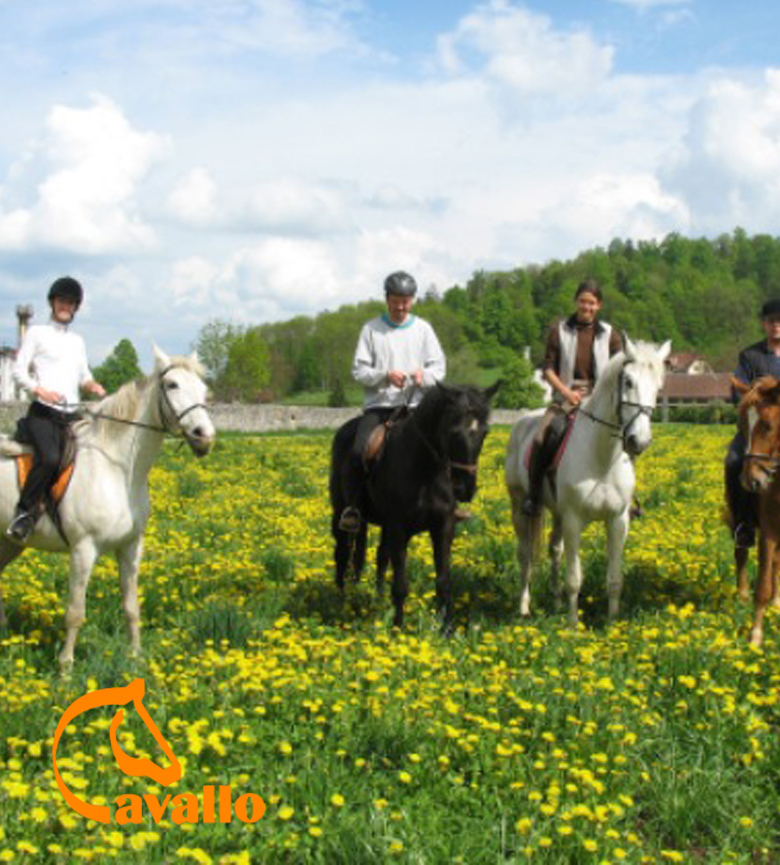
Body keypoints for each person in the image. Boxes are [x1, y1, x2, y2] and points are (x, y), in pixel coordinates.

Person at [339, 271, 446, 532]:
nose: (401, 307)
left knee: (447, 449)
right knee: (357, 452)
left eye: (406, 301)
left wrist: (424, 376)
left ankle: (446, 504)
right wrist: (385, 376)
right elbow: (359, 371)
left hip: (416, 408)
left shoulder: (423, 329)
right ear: (387, 299)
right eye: (396, 300)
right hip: (380, 406)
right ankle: (353, 507)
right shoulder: (371, 330)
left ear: (413, 300)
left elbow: (439, 367)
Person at [6, 276, 106, 544]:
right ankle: (24, 514)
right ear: (52, 302)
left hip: (71, 415)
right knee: (50, 457)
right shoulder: (37, 333)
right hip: (43, 413)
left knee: (94, 455)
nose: (66, 306)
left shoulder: (78, 341)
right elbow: (18, 370)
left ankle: (81, 515)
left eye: (71, 303)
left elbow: (84, 375)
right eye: (62, 301)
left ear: (75, 308)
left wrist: (92, 385)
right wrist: (39, 389)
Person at [522, 278, 622, 516]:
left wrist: (599, 393)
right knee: (541, 436)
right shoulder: (559, 330)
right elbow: (547, 369)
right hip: (565, 395)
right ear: (576, 301)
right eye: (583, 301)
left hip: (598, 399)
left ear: (598, 306)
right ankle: (534, 495)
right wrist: (566, 392)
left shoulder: (610, 334)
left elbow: (619, 367)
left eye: (592, 303)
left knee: (623, 436)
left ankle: (626, 498)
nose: (586, 307)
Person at [725, 298, 780, 548]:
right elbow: (738, 391)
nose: (776, 326)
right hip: (757, 431)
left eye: (779, 322)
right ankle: (743, 523)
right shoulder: (750, 356)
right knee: (733, 461)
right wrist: (754, 397)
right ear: (763, 324)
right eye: (771, 321)